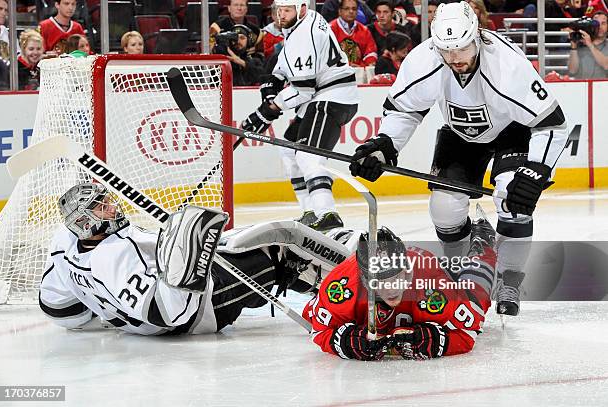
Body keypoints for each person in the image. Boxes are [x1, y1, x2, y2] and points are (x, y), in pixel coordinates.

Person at [349, 2, 569, 317]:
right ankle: (460, 270)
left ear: (476, 36)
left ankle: (509, 279)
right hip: (460, 134)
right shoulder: (425, 59)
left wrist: (535, 172)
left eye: (462, 50)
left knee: (513, 203)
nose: (455, 59)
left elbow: (552, 124)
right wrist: (383, 145)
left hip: (513, 131)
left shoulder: (507, 66)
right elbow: (404, 108)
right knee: (443, 209)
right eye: (446, 52)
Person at [39, 183, 351, 335]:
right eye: (100, 206)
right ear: (84, 221)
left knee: (254, 241)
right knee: (282, 244)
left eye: (107, 200)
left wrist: (103, 308)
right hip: (203, 306)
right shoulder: (115, 252)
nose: (111, 207)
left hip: (184, 296)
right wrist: (188, 256)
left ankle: (337, 283)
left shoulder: (64, 247)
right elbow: (170, 314)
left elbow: (59, 308)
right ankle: (352, 290)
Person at [304, 210, 496, 360]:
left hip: (434, 270)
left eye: (396, 277)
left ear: (407, 270)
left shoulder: (432, 285)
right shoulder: (341, 286)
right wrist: (344, 341)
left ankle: (483, 244)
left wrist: (438, 342)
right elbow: (318, 331)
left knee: (476, 300)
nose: (392, 288)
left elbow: (467, 332)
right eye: (381, 281)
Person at [240, 0, 359, 231]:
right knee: (288, 148)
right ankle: (309, 211)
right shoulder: (304, 22)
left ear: (302, 8)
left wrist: (268, 111)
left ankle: (327, 214)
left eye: (287, 10)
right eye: (278, 10)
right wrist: (273, 82)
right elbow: (288, 63)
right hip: (323, 95)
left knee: (308, 156)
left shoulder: (306, 34)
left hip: (332, 98)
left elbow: (304, 90)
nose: (280, 15)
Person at [330, 0, 378, 67]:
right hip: (338, 72)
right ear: (340, 11)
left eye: (354, 9)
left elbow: (371, 52)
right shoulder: (331, 29)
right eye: (347, 9)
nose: (351, 11)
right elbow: (330, 56)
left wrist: (369, 64)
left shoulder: (364, 30)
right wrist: (349, 65)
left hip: (360, 71)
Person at [568, 11, 608, 78]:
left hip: (602, 87)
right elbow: (572, 70)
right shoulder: (580, 44)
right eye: (596, 23)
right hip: (582, 86)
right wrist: (574, 47)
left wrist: (590, 44)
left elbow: (606, 65)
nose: (599, 26)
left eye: (603, 23)